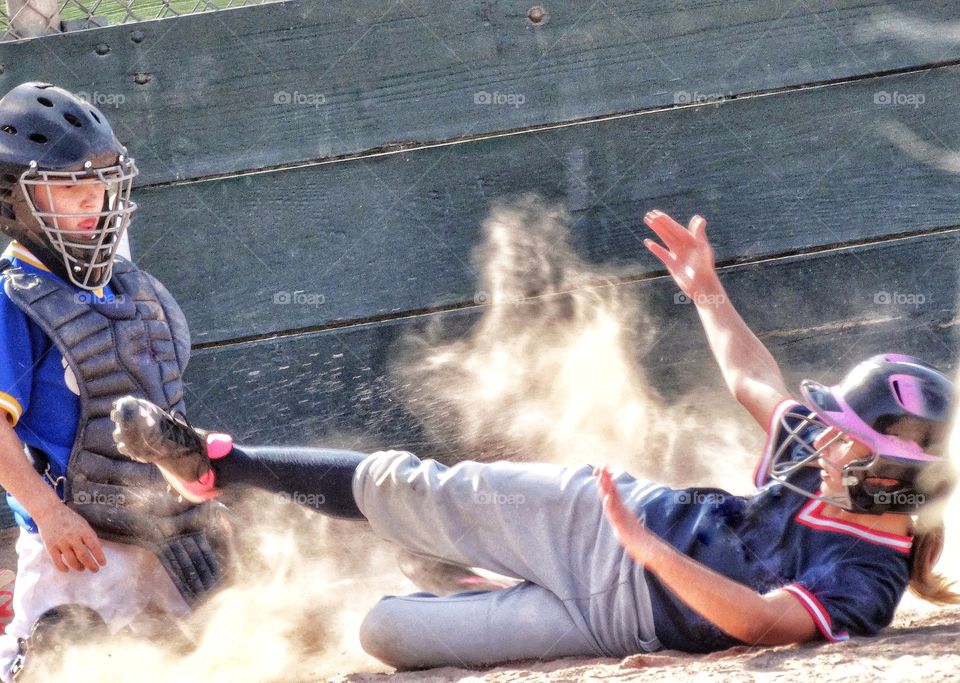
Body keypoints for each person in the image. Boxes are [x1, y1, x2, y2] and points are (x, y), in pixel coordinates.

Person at [110, 209, 959, 668]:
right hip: (601, 517)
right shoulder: (822, 463)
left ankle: (466, 573)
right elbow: (755, 384)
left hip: (619, 613)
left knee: (388, 635)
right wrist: (709, 297)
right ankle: (218, 463)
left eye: (854, 443)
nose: (830, 446)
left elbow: (767, 623)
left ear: (904, 481)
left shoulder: (866, 577)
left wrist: (655, 558)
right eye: (837, 433)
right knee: (421, 488)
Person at [0, 82, 231, 680]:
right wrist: (49, 515)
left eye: (101, 183)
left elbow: (160, 414)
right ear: (13, 201)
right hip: (79, 547)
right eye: (68, 186)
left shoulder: (132, 291)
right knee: (76, 658)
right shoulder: (13, 300)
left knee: (247, 636)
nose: (92, 201)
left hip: (172, 539)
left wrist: (202, 492)